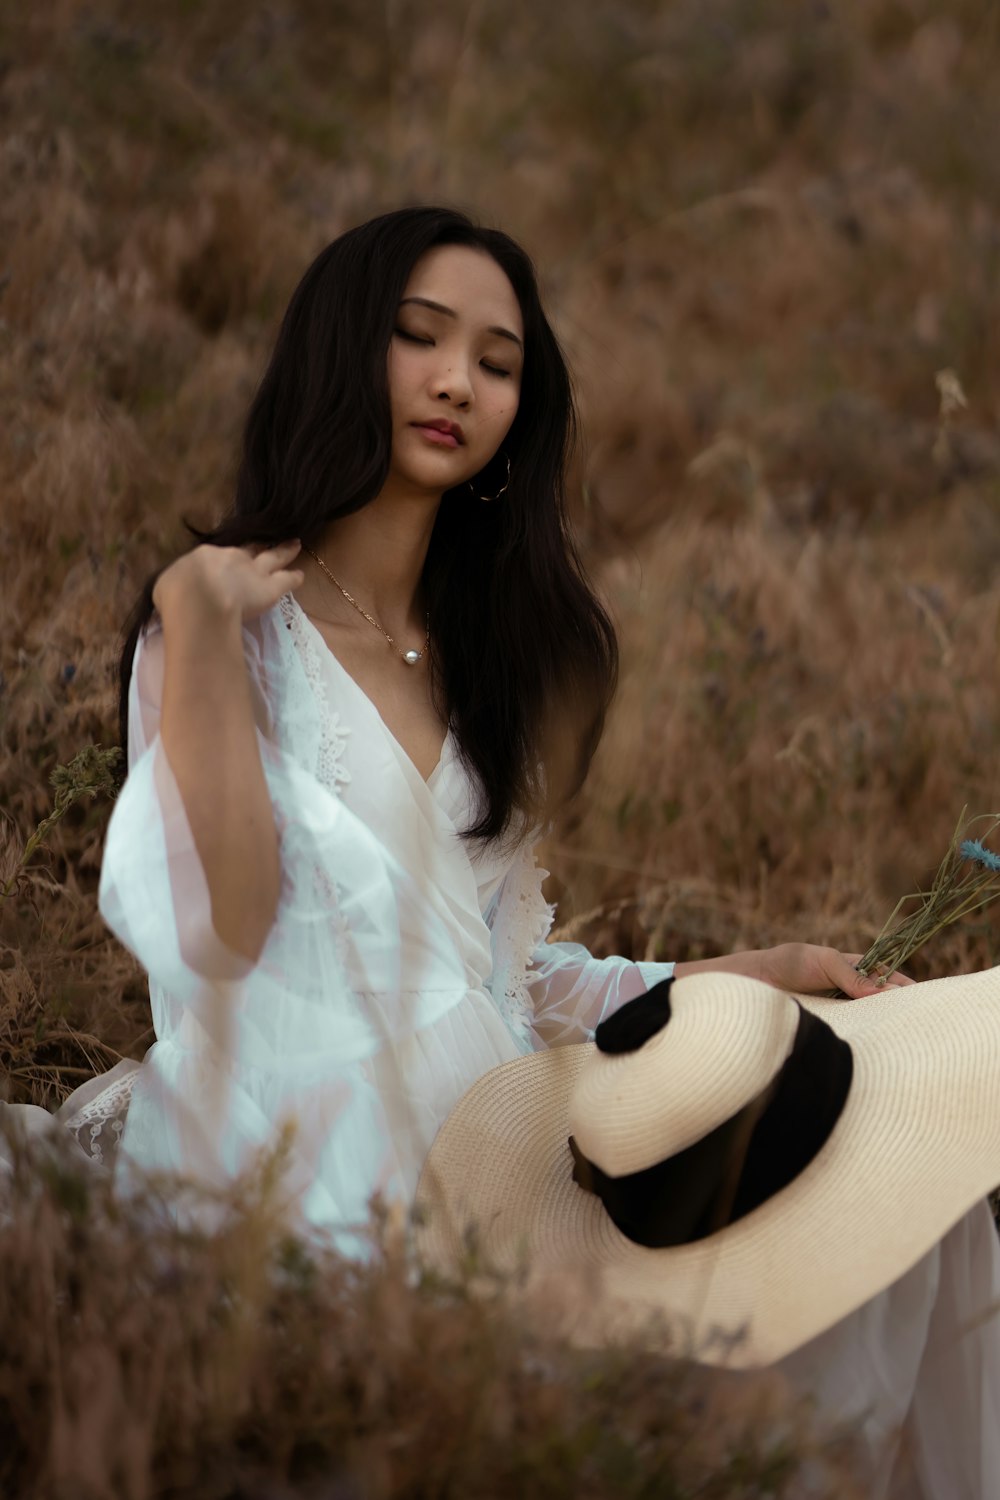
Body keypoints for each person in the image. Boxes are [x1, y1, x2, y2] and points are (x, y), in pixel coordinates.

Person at [13, 206, 997, 1493]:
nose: (454, 381)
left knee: (897, 1220)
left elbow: (502, 980)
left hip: (499, 1137)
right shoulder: (224, 628)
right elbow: (225, 935)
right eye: (418, 338)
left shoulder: (488, 658)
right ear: (342, 356)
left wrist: (756, 968)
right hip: (294, 1155)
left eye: (496, 360)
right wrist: (193, 624)